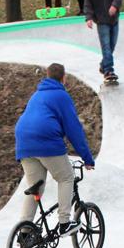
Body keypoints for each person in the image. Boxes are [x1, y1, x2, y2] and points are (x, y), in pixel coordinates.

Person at [14, 63, 95, 234]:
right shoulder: (61, 96)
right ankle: (64, 223)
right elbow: (74, 129)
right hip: (46, 141)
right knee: (66, 178)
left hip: (24, 143)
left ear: (47, 76)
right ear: (63, 78)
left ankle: (24, 232)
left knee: (35, 188)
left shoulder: (36, 95)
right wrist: (87, 158)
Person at [84, 0, 121, 85]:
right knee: (106, 45)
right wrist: (89, 17)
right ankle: (108, 71)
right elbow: (88, 2)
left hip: (114, 19)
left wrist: (115, 5)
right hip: (101, 20)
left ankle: (103, 65)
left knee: (112, 45)